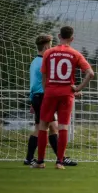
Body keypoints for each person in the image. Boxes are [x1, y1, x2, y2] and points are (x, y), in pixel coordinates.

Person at [32, 26, 94, 169]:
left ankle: (40, 161)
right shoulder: (75, 54)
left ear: (59, 36)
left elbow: (44, 76)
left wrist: (48, 90)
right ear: (72, 39)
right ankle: (59, 162)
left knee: (43, 126)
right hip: (67, 94)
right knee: (63, 126)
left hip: (50, 92)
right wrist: (78, 88)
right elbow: (90, 73)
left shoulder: (48, 52)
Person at [24, 34, 77, 166]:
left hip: (37, 97)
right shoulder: (45, 61)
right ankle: (60, 158)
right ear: (47, 46)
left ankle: (33, 158)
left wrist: (32, 100)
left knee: (46, 127)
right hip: (43, 97)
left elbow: (33, 83)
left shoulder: (34, 61)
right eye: (51, 44)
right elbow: (50, 80)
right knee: (48, 127)